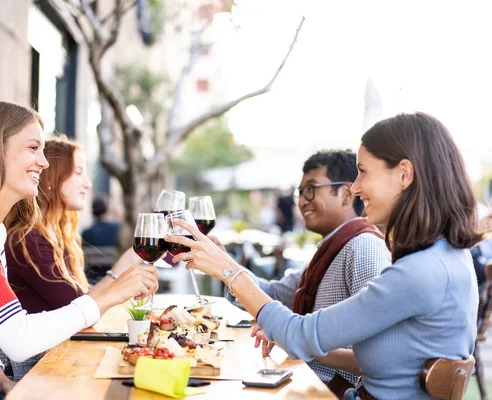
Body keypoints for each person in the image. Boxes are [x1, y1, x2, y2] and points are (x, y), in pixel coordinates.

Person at [166, 112, 481, 399]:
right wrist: (288, 335)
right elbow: (386, 364)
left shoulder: (419, 271)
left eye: (362, 173)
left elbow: (302, 334)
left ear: (403, 174)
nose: (354, 188)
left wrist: (229, 271)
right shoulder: (447, 258)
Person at [0, 101, 158, 400]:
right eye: (33, 148)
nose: (44, 162)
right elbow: (18, 339)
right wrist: (112, 293)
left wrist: (1, 380)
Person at [224, 150, 390, 396]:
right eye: (300, 193)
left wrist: (295, 341)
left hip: (331, 391)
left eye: (311, 189)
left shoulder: (363, 247)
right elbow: (272, 294)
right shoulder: (329, 250)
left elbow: (377, 353)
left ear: (346, 193)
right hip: (302, 380)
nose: (301, 201)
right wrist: (223, 264)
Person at [2, 136, 139, 381]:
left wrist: (134, 258)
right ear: (52, 178)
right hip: (26, 374)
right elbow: (81, 313)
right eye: (78, 172)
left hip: (49, 363)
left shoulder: (55, 235)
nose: (87, 184)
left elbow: (83, 305)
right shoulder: (28, 240)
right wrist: (125, 268)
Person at [81, 194, 122, 283]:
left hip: (92, 277)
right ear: (107, 210)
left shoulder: (86, 232)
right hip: (112, 274)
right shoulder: (116, 228)